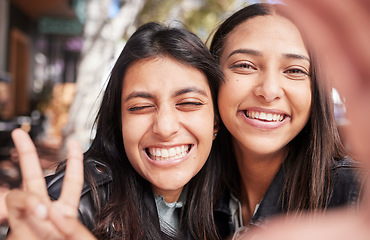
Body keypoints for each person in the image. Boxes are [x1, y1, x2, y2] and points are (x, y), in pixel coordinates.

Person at [6, 22, 225, 239]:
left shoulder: (228, 207)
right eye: (140, 107)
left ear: (215, 120)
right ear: (118, 122)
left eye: (189, 103)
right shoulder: (72, 208)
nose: (165, 128)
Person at [209, 3, 362, 238]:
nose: (269, 91)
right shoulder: (188, 196)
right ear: (213, 79)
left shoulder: (356, 193)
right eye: (245, 66)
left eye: (295, 70)